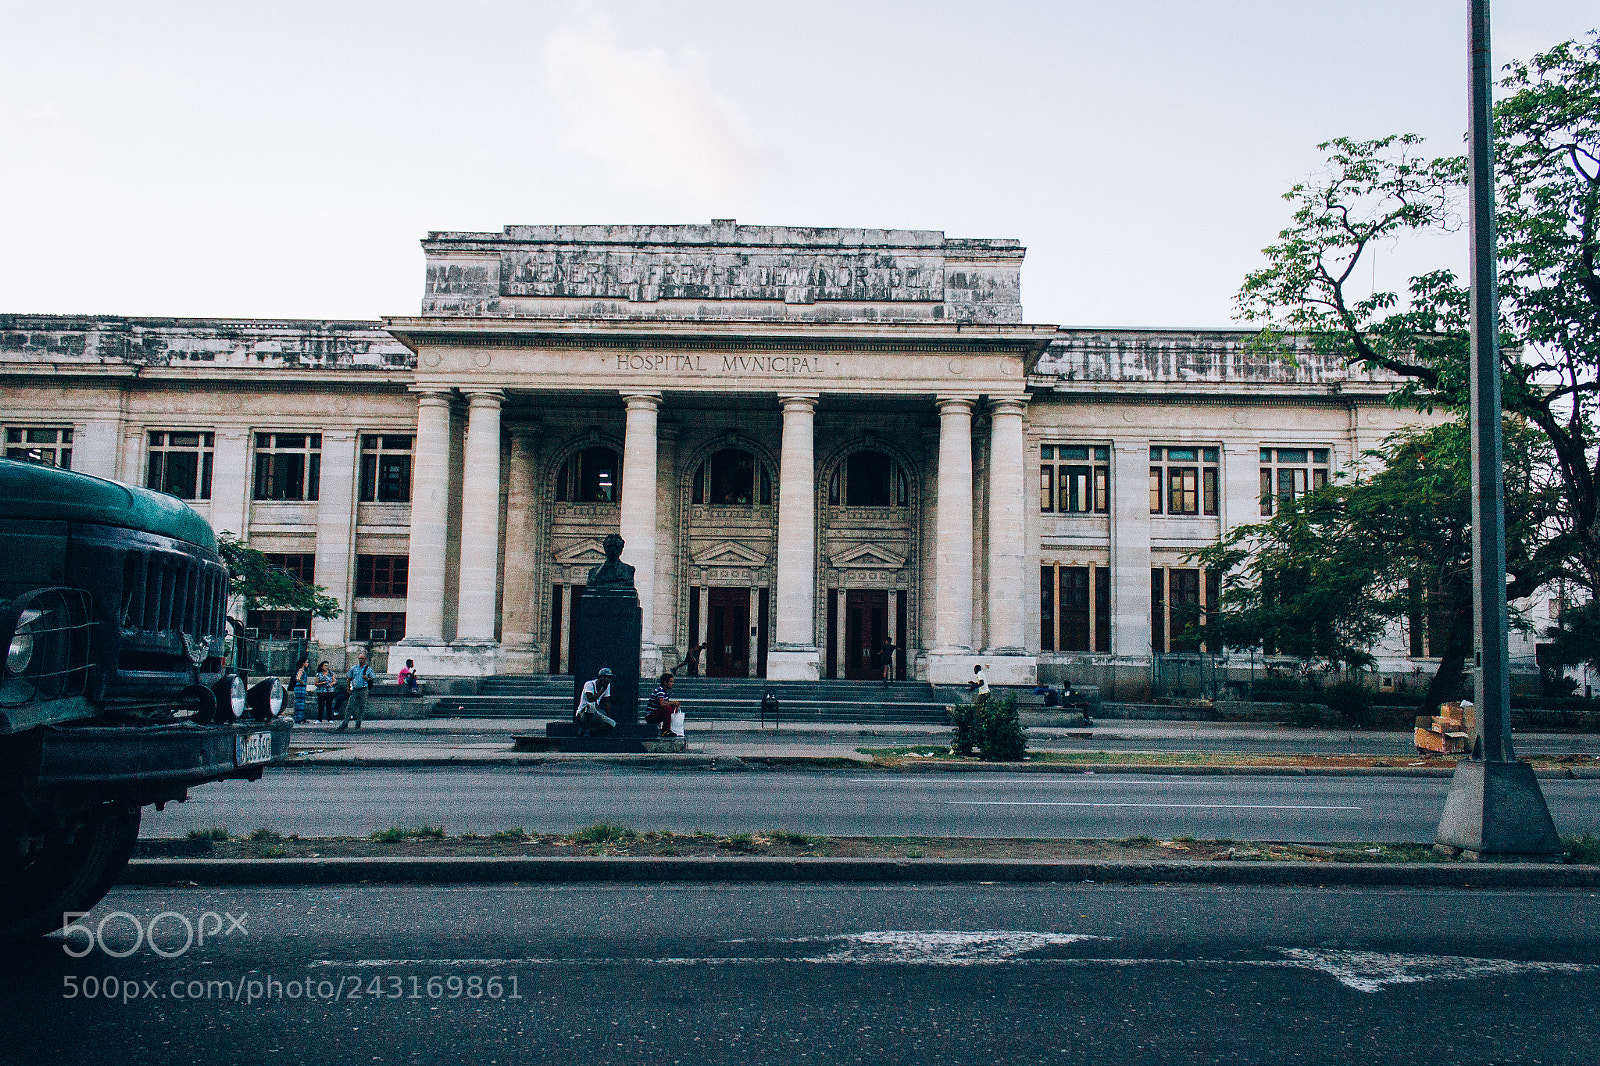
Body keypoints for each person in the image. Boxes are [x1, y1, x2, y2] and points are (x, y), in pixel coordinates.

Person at [575, 667, 616, 735]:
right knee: (591, 706)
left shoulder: (607, 686)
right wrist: (602, 690)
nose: (607, 680)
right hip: (583, 713)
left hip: (595, 713)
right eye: (606, 677)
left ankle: (589, 730)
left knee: (612, 723)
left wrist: (607, 717)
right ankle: (585, 727)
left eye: (609, 678)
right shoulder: (589, 684)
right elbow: (590, 699)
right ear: (600, 677)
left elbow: (607, 702)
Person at [339, 653, 374, 730]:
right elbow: (349, 677)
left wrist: (367, 679)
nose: (360, 660)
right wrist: (348, 688)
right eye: (360, 659)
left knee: (362, 706)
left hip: (363, 689)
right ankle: (345, 722)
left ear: (365, 660)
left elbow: (372, 678)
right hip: (355, 689)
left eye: (362, 659)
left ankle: (358, 722)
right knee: (350, 706)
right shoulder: (354, 668)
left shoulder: (368, 669)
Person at [643, 672, 682, 738]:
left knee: (672, 707)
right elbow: (662, 703)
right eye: (671, 682)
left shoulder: (664, 692)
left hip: (657, 713)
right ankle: (665, 731)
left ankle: (670, 728)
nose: (672, 684)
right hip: (651, 716)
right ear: (665, 682)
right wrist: (673, 703)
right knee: (667, 708)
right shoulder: (660, 691)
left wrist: (675, 704)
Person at [291, 656, 310, 723]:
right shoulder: (301, 670)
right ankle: (298, 718)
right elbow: (298, 678)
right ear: (303, 664)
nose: (307, 663)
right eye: (306, 662)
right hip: (300, 689)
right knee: (299, 704)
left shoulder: (302, 670)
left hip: (301, 689)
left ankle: (301, 717)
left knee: (300, 704)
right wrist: (302, 682)